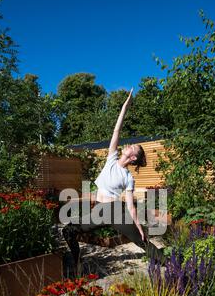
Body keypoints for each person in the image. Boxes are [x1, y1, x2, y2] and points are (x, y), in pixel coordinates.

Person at [62, 88, 163, 275]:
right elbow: (117, 129)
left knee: (142, 242)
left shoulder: (128, 177)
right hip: (99, 210)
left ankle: (172, 263)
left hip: (116, 211)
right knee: (68, 231)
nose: (128, 145)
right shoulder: (111, 157)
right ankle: (77, 263)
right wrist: (125, 105)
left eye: (132, 147)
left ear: (133, 158)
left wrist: (139, 226)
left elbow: (131, 206)